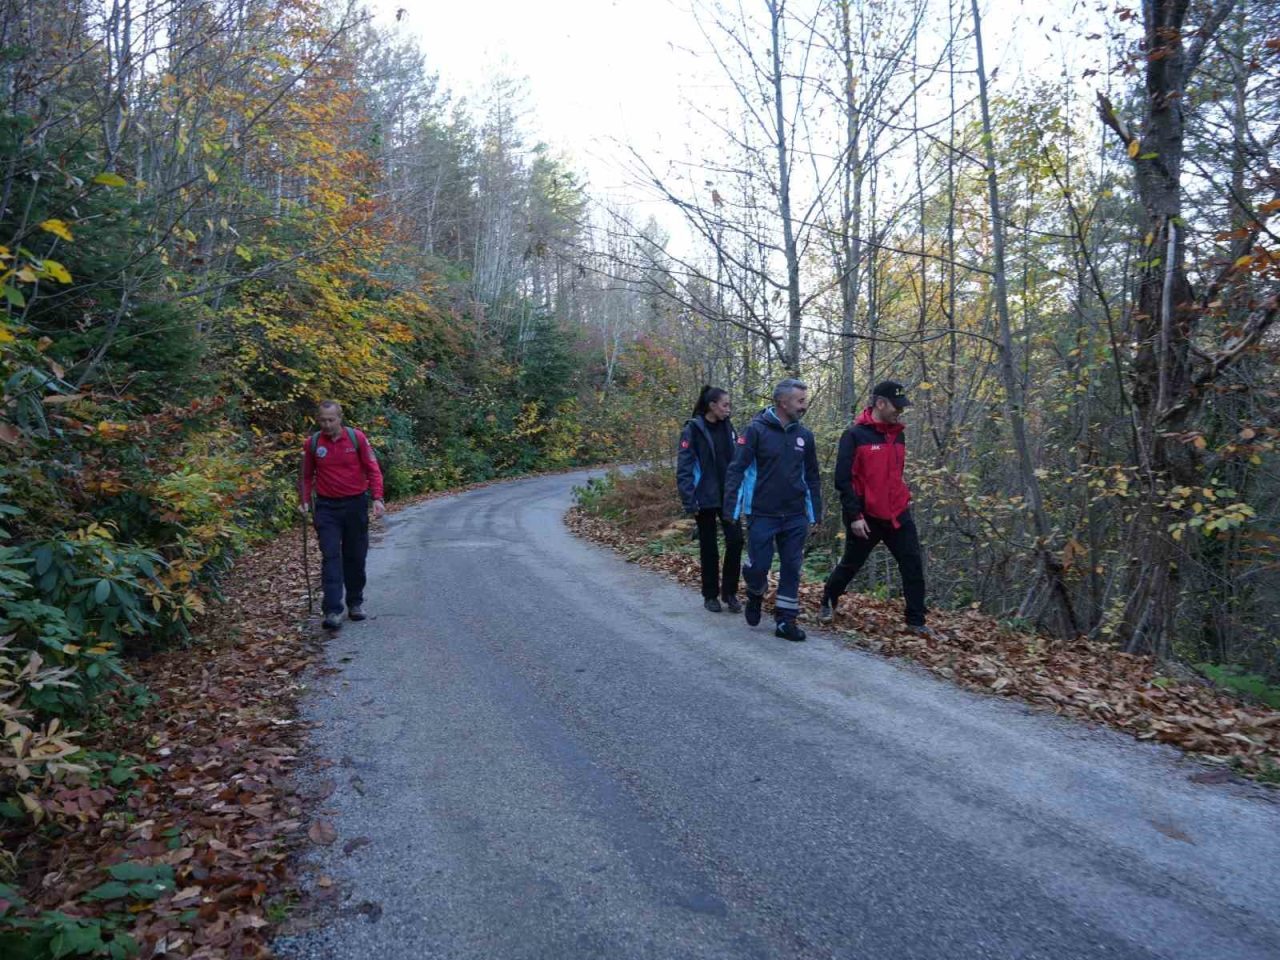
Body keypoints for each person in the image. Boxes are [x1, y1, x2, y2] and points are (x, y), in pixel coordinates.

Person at [819, 380, 930, 635]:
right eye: (896, 406)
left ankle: (916, 621)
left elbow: (895, 473)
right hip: (865, 516)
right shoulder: (855, 435)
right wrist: (855, 515)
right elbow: (843, 479)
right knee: (851, 564)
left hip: (897, 513)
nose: (899, 411)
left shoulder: (898, 434)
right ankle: (827, 599)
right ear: (880, 403)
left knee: (912, 562)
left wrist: (902, 499)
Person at [722, 378, 822, 642]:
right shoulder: (755, 431)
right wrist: (731, 509)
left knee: (791, 565)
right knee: (758, 566)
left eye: (804, 400)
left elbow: (812, 477)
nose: (804, 406)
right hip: (762, 514)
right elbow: (737, 470)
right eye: (800, 401)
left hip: (794, 515)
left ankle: (785, 621)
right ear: (782, 402)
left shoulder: (805, 436)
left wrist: (815, 514)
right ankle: (755, 592)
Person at [299, 400, 386, 630]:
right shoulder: (313, 443)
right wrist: (305, 500)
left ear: (340, 418)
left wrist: (377, 498)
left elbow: (372, 468)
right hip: (327, 507)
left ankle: (355, 602)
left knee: (355, 556)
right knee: (330, 556)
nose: (327, 425)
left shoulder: (356, 438)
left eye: (331, 419)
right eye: (323, 420)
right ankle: (332, 610)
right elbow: (306, 476)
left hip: (355, 504)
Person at [676, 386, 744, 614]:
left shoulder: (729, 428)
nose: (728, 409)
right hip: (703, 497)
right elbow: (684, 467)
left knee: (736, 541)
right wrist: (689, 499)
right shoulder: (693, 429)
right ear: (712, 406)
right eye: (725, 405)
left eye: (729, 405)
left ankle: (730, 593)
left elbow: (737, 461)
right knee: (709, 547)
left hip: (728, 496)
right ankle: (710, 595)